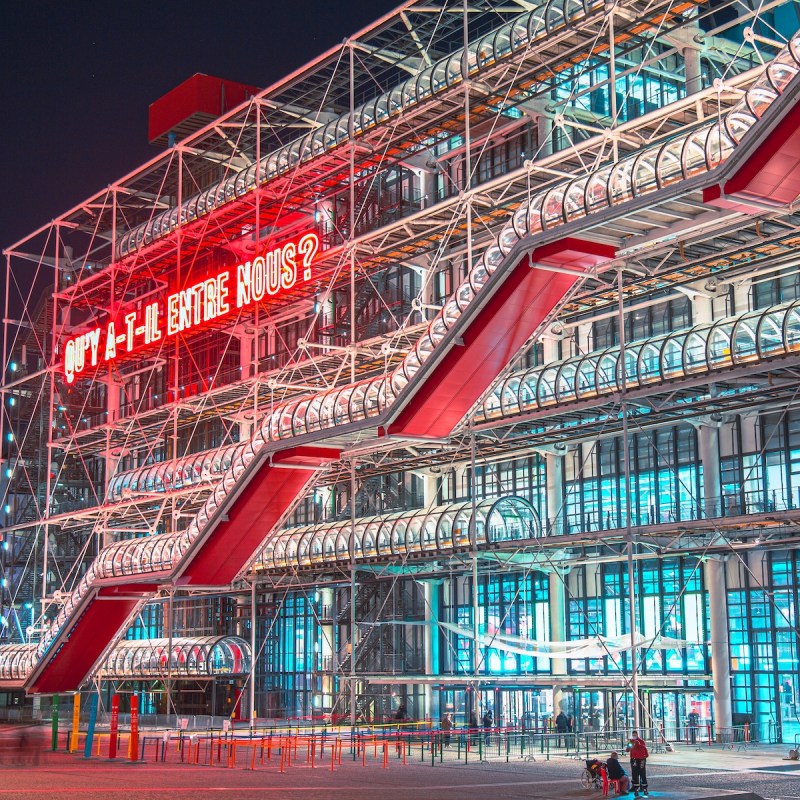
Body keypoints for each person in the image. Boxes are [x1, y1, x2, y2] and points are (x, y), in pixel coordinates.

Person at [627, 731, 649, 797]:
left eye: (634, 735)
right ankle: (636, 789)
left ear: (637, 735)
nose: (633, 736)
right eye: (633, 735)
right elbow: (627, 749)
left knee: (642, 774)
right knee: (635, 774)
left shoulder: (641, 741)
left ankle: (644, 789)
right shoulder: (631, 741)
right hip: (634, 759)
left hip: (640, 759)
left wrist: (636, 743)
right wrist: (629, 745)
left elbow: (643, 748)